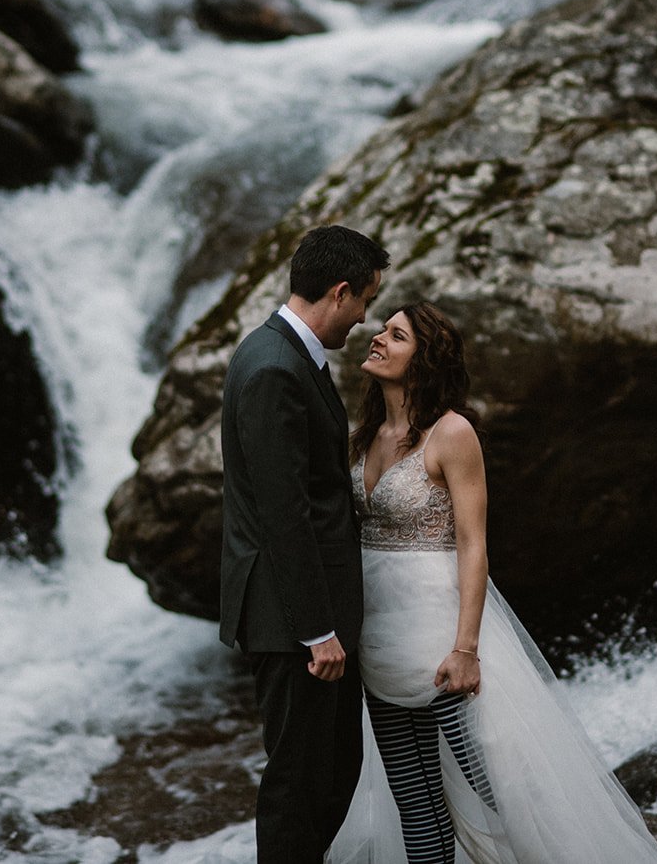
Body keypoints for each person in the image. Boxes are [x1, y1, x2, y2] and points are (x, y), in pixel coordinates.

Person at [328, 301, 657, 864]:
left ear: (425, 359)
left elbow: (473, 544)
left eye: (396, 336)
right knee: (416, 805)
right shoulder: (364, 435)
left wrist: (466, 648)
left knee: (504, 795)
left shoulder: (452, 432)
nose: (377, 340)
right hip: (379, 640)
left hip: (441, 636)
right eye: (381, 330)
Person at [219, 224, 389, 862]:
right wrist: (317, 630)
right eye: (366, 300)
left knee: (332, 774)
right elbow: (282, 514)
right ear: (340, 292)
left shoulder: (285, 357)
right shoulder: (272, 369)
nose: (365, 318)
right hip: (292, 621)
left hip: (303, 615)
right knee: (299, 784)